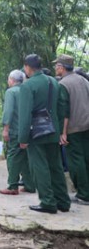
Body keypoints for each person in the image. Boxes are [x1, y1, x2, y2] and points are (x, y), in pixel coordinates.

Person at [19, 54, 71, 214]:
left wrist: (23, 138)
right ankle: (63, 201)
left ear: (28, 67)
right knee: (55, 166)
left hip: (37, 132)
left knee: (39, 167)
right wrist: (61, 129)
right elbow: (62, 107)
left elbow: (25, 114)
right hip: (53, 129)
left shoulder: (28, 86)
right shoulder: (54, 82)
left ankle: (48, 202)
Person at [54, 54, 89, 205]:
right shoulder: (84, 80)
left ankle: (83, 194)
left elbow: (64, 111)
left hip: (73, 128)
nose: (55, 68)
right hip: (87, 126)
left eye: (56, 66)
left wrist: (63, 132)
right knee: (86, 158)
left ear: (61, 67)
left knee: (75, 162)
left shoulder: (63, 84)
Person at [0, 70, 35, 195]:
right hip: (28, 129)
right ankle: (30, 184)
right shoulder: (27, 89)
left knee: (13, 156)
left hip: (15, 130)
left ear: (12, 80)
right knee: (25, 157)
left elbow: (8, 111)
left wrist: (5, 129)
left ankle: (12, 185)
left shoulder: (11, 92)